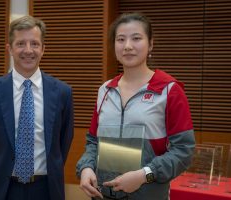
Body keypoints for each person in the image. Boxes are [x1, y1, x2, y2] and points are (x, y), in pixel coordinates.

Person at [76, 12, 195, 200]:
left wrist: (144, 175)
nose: (128, 46)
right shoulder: (105, 90)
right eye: (121, 39)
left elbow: (183, 151)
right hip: (102, 194)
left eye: (136, 38)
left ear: (151, 44)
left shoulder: (168, 89)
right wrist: (86, 167)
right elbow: (93, 142)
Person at [0, 15, 74, 200]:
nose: (28, 50)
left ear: (43, 49)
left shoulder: (62, 92)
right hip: (3, 189)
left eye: (34, 44)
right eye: (20, 43)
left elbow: (63, 143)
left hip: (47, 189)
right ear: (9, 49)